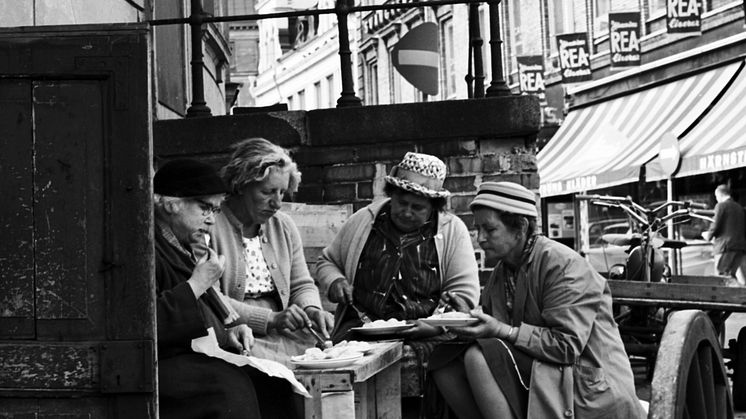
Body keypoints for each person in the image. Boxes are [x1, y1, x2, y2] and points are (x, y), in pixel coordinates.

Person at [431, 181, 644, 419]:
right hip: (543, 372)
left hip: (584, 385)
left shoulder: (563, 265)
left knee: (478, 357)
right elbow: (495, 329)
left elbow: (566, 346)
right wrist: (467, 316)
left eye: (489, 230)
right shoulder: (504, 271)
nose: (479, 238)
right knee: (444, 361)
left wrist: (503, 330)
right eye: (477, 229)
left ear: (520, 227)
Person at [154, 158, 296, 419]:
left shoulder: (181, 243)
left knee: (274, 382)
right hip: (158, 365)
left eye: (216, 210)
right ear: (172, 204)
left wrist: (227, 330)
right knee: (228, 388)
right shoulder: (148, 248)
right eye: (205, 208)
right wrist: (197, 283)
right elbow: (148, 322)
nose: (210, 220)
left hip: (190, 356)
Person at [317, 151, 480, 341]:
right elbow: (327, 262)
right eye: (402, 203)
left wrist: (437, 326)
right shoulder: (364, 220)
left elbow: (463, 296)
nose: (407, 212)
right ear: (391, 194)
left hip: (425, 335)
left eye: (417, 207)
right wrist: (335, 281)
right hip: (360, 332)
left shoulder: (452, 231)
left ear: (433, 207)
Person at [210, 137, 333, 366]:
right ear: (241, 184)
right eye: (268, 192)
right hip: (237, 332)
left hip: (284, 331)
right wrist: (271, 319)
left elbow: (301, 284)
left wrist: (312, 308)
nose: (277, 203)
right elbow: (212, 298)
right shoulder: (211, 224)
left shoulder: (283, 226)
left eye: (282, 193)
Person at [702, 184, 746, 285]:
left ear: (720, 195)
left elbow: (715, 224)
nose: (717, 200)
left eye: (716, 197)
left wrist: (708, 235)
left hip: (725, 246)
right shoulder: (739, 208)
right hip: (740, 247)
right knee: (731, 277)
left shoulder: (721, 206)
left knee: (721, 277)